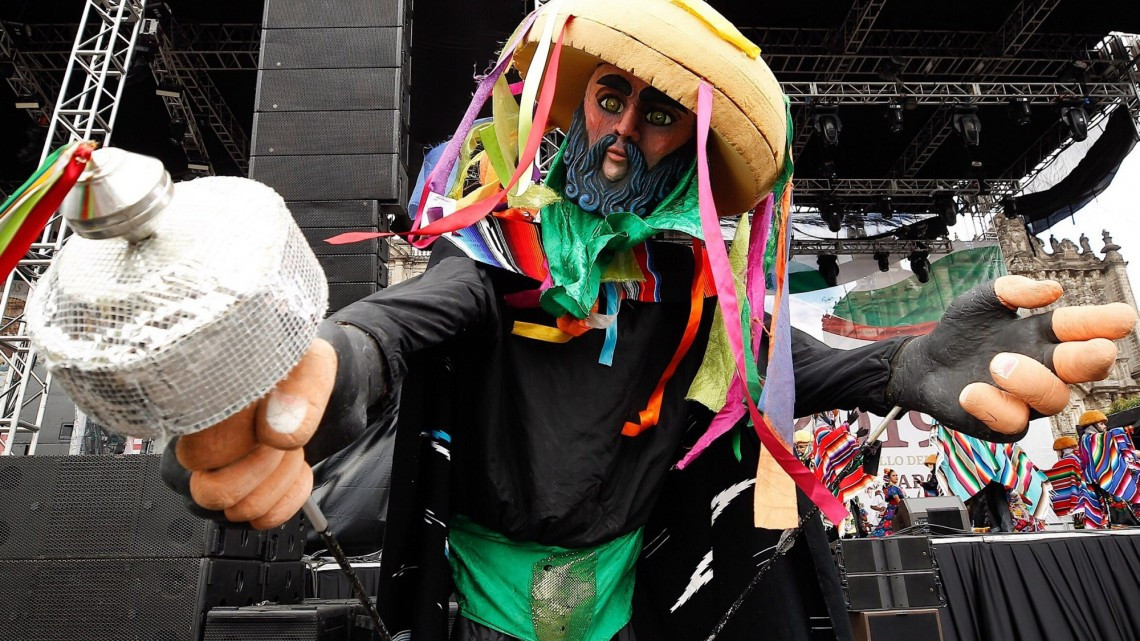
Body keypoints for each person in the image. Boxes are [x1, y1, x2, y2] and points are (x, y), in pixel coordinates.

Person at [159, 2, 1137, 640]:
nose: (624, 130)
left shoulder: (695, 298)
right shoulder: (502, 256)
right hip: (478, 617)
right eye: (611, 98)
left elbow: (791, 360)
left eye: (659, 113)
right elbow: (401, 324)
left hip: (634, 611)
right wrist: (321, 366)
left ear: (691, 152)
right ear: (576, 112)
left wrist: (909, 361)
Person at [1075, 410, 1140, 527]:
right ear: (1091, 425)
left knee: (1115, 503)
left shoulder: (1087, 439)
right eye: (1101, 424)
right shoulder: (1089, 439)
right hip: (1105, 478)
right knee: (1117, 502)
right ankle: (1123, 524)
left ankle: (1121, 523)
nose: (1105, 426)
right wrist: (1126, 429)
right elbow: (1109, 436)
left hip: (1102, 477)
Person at [870, 469, 905, 537]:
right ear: (889, 478)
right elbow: (898, 501)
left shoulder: (891, 487)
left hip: (891, 510)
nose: (896, 477)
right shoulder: (893, 488)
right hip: (895, 510)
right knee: (891, 529)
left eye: (896, 475)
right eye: (893, 475)